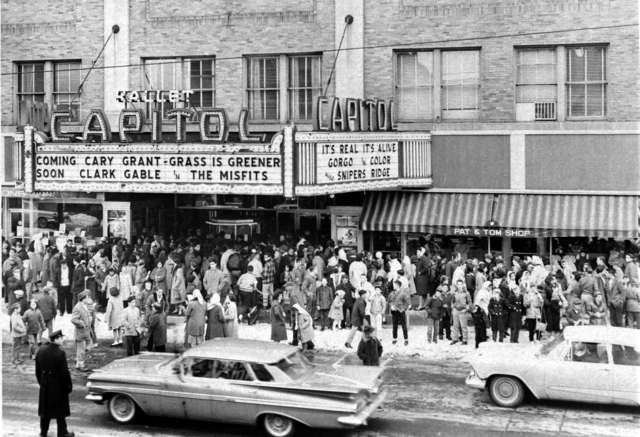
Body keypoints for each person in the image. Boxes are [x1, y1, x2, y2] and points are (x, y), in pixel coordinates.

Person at [35, 329, 75, 437]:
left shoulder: (41, 351)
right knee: (60, 410)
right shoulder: (60, 353)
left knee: (45, 411)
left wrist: (42, 383)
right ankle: (62, 432)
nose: (63, 340)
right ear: (56, 339)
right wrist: (68, 386)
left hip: (45, 386)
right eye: (61, 338)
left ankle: (43, 432)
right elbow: (64, 373)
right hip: (58, 386)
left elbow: (37, 371)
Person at [70, 291, 92, 371]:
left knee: (87, 346)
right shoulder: (77, 307)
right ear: (83, 299)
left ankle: (78, 361)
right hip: (80, 333)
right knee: (81, 350)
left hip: (85, 332)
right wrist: (82, 323)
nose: (88, 298)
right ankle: (81, 365)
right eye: (87, 297)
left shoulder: (84, 305)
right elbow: (73, 319)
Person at [388, 279, 411, 346]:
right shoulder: (392, 293)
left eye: (395, 284)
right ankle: (394, 338)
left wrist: (403, 309)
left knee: (404, 325)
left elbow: (407, 302)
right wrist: (391, 306)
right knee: (394, 325)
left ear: (398, 286)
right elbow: (389, 301)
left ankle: (406, 339)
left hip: (401, 311)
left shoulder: (403, 294)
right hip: (394, 311)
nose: (393, 286)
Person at [450, 279, 471, 345]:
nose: (459, 286)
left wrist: (466, 309)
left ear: (462, 285)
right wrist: (453, 308)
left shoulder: (466, 293)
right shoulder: (454, 292)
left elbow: (469, 302)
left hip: (463, 310)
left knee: (463, 326)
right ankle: (455, 339)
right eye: (458, 284)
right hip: (456, 310)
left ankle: (464, 340)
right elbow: (452, 301)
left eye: (460, 284)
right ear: (456, 285)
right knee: (455, 326)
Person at [437, 277, 452, 341]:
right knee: (441, 324)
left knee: (448, 324)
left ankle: (448, 335)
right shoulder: (440, 296)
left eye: (446, 288)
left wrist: (449, 307)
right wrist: (442, 306)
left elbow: (451, 303)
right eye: (443, 288)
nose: (445, 289)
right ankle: (440, 334)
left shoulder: (450, 295)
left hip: (448, 312)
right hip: (441, 312)